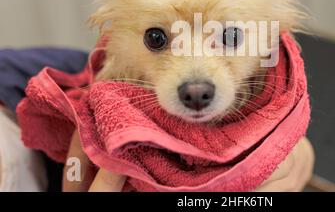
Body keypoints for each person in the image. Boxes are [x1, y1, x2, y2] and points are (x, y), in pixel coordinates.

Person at [0, 48, 314, 192]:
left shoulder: (27, 75)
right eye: (158, 39)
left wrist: (290, 146)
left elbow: (99, 65)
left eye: (228, 37)